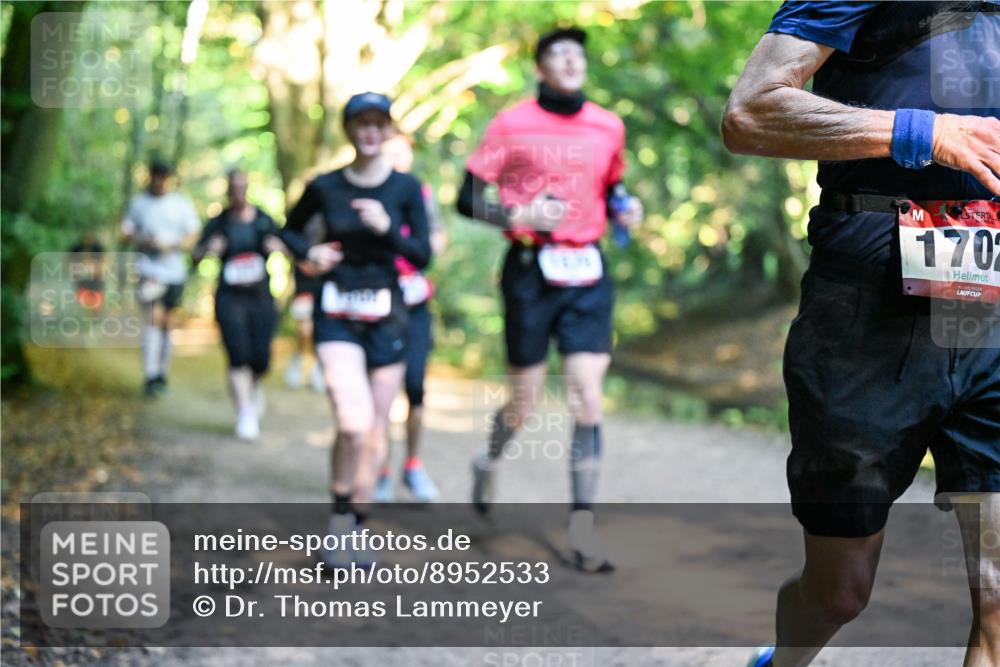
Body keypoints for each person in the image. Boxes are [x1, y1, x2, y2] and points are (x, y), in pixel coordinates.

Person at [722, 3, 1000, 666]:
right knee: (840, 591)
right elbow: (750, 113)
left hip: (990, 315)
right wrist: (921, 133)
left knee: (997, 597)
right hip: (868, 300)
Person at [456, 27, 643, 572]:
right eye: (559, 53)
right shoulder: (511, 123)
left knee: (587, 396)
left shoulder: (608, 125)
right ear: (540, 68)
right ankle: (487, 460)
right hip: (529, 271)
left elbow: (611, 188)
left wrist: (624, 209)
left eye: (578, 54)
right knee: (525, 403)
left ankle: (582, 527)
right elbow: (465, 197)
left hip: (587, 267)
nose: (570, 60)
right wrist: (517, 216)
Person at [280, 92, 431, 568]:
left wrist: (388, 228)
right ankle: (339, 516)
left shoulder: (406, 188)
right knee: (352, 421)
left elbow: (424, 253)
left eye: (377, 123)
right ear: (348, 130)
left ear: (387, 130)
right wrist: (309, 255)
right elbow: (288, 231)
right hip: (338, 310)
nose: (369, 131)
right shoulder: (325, 186)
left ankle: (355, 526)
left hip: (388, 314)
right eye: (360, 123)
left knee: (373, 430)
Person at [372, 133, 448, 503]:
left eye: (404, 153)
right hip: (380, 304)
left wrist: (426, 248)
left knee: (415, 387)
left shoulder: (421, 194)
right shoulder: (369, 191)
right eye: (391, 153)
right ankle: (381, 470)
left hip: (416, 303)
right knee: (381, 394)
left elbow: (437, 236)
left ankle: (413, 466)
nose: (398, 159)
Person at [192, 169, 285, 440]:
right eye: (234, 187)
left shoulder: (264, 219)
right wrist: (210, 248)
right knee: (238, 354)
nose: (238, 192)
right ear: (228, 190)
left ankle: (253, 388)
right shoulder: (218, 222)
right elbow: (195, 254)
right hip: (230, 297)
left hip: (260, 297)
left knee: (261, 359)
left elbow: (288, 244)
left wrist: (276, 246)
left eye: (242, 186)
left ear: (248, 188)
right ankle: (245, 412)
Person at [121, 159, 201, 397]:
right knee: (154, 319)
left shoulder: (181, 204)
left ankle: (161, 373)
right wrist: (143, 241)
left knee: (167, 323)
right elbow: (125, 232)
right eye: (156, 175)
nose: (160, 180)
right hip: (149, 270)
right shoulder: (139, 203)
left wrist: (173, 245)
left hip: (175, 272)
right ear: (150, 176)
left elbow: (193, 235)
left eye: (164, 176)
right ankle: (150, 374)